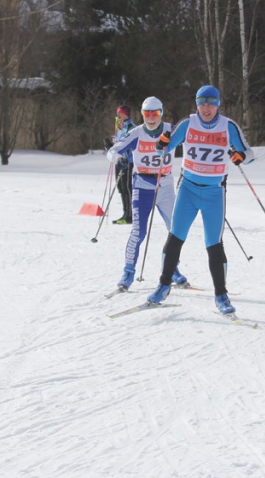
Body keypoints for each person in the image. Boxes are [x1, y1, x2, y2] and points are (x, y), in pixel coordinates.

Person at [146, 85, 252, 315]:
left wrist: (241, 156)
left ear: (218, 104)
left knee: (214, 243)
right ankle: (163, 286)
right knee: (175, 237)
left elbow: (250, 155)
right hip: (188, 190)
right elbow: (163, 149)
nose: (206, 108)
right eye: (202, 104)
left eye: (211, 104)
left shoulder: (229, 126)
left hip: (214, 193)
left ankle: (221, 296)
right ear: (197, 104)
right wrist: (161, 143)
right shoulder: (188, 124)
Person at [106, 97, 188, 291]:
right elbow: (113, 150)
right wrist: (118, 158)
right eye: (147, 114)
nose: (151, 118)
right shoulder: (136, 133)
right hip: (142, 186)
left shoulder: (172, 130)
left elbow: (193, 140)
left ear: (161, 113)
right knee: (138, 231)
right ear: (142, 114)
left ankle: (172, 270)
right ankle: (128, 273)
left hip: (165, 186)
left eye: (155, 113)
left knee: (175, 231)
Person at [111, 105, 136, 224]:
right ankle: (125, 213)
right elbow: (119, 142)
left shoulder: (131, 127)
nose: (118, 116)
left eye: (120, 113)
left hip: (129, 161)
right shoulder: (120, 127)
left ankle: (130, 215)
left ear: (125, 114)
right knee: (121, 187)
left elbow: (131, 143)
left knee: (127, 187)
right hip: (120, 160)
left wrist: (127, 156)